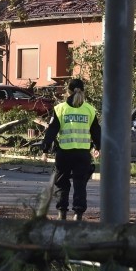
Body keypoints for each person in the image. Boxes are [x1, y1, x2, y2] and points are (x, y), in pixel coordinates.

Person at [41, 77, 100, 221]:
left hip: (64, 153)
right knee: (80, 184)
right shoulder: (89, 110)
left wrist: (45, 149)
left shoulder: (60, 109)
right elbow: (96, 131)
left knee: (62, 183)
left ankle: (62, 213)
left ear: (67, 92)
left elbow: (52, 130)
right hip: (82, 154)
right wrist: (99, 147)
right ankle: (78, 214)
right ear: (84, 92)